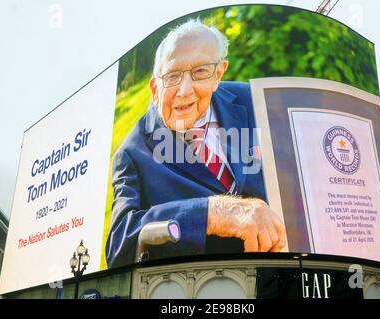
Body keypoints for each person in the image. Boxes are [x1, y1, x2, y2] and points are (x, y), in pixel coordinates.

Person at [105, 19, 286, 268]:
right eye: (172, 76)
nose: (184, 91)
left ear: (218, 74)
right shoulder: (132, 154)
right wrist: (213, 212)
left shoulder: (254, 101)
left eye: (200, 72)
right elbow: (120, 247)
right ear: (154, 87)